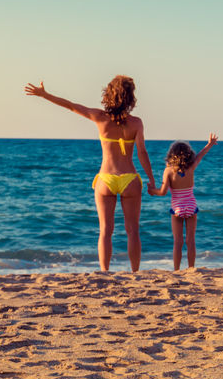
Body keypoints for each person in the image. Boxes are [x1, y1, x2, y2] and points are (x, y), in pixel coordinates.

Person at [24, 76, 155, 272]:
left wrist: (44, 95)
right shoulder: (136, 123)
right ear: (130, 98)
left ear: (109, 95)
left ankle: (105, 272)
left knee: (105, 231)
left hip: (105, 179)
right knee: (133, 231)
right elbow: (142, 153)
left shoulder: (100, 117)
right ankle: (135, 272)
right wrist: (152, 180)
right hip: (129, 179)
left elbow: (70, 105)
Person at [151, 135, 217, 270]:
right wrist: (209, 144)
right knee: (190, 241)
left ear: (171, 155)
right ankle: (191, 268)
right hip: (191, 206)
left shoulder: (168, 171)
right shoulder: (191, 167)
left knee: (178, 242)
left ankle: (176, 270)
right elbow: (201, 155)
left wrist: (152, 191)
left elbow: (163, 192)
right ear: (189, 155)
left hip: (177, 208)